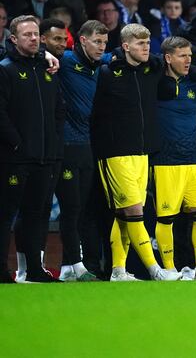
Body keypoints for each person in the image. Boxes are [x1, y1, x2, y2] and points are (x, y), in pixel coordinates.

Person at [90, 23, 181, 281]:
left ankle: (118, 270)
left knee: (125, 215)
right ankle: (155, 269)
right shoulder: (107, 73)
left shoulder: (150, 71)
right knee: (133, 211)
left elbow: (160, 62)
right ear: (126, 46)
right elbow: (95, 114)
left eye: (148, 42)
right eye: (140, 43)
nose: (147, 47)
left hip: (142, 152)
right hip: (115, 152)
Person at [0, 16, 64, 283]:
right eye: (27, 35)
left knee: (36, 214)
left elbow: (58, 108)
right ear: (13, 39)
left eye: (36, 34)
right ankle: (3, 269)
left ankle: (35, 268)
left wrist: (55, 142)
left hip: (45, 156)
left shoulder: (47, 68)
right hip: (15, 158)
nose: (34, 39)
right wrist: (16, 143)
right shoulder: (6, 69)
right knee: (5, 214)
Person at [151, 36, 196, 281]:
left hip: (195, 161)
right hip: (166, 162)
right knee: (166, 218)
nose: (189, 60)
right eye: (182, 56)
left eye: (190, 56)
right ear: (168, 58)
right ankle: (169, 269)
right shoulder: (155, 83)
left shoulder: (195, 86)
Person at [53, 20, 110, 282]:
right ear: (82, 41)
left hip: (89, 146)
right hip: (66, 145)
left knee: (86, 208)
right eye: (97, 42)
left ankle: (86, 265)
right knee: (71, 207)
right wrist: (44, 52)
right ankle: (69, 265)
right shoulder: (63, 61)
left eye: (105, 43)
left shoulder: (100, 67)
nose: (102, 47)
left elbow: (118, 54)